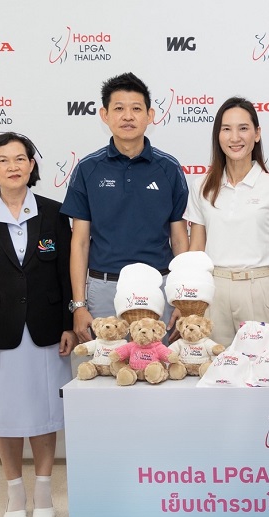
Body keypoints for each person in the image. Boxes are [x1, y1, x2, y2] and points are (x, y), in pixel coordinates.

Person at [0, 132, 76, 517]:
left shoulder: (54, 212)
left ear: (32, 165)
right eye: (3, 160)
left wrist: (68, 324)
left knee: (44, 413)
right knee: (4, 414)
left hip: (46, 329)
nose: (13, 166)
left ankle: (43, 490)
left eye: (20, 158)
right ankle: (14, 492)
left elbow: (66, 275)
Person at [61, 72, 189, 343]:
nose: (128, 116)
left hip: (159, 288)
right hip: (105, 289)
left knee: (158, 364)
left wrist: (182, 298)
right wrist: (79, 305)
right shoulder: (87, 168)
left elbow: (179, 238)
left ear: (150, 115)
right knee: (105, 366)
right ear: (104, 115)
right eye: (119, 108)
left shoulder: (169, 168)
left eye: (136, 109)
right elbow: (80, 242)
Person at [184, 97, 269, 346]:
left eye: (243, 128)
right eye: (226, 129)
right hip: (213, 291)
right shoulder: (201, 186)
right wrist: (191, 299)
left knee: (262, 366)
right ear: (218, 135)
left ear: (257, 134)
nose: (235, 137)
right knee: (212, 364)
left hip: (260, 288)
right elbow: (196, 250)